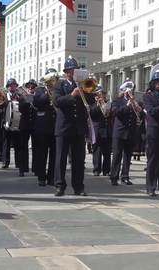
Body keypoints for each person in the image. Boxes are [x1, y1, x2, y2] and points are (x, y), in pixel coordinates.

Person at [53, 56, 95, 196]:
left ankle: (79, 186)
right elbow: (57, 102)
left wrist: (85, 91)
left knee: (78, 159)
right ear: (67, 73)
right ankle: (60, 185)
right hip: (64, 127)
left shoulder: (84, 85)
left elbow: (91, 100)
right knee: (61, 159)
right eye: (72, 70)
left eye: (77, 69)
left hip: (78, 127)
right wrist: (71, 95)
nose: (75, 72)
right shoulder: (59, 86)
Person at [109, 80, 140, 186]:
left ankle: (125, 176)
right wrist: (127, 106)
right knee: (117, 155)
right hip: (120, 132)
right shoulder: (117, 101)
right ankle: (114, 176)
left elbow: (140, 116)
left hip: (131, 132)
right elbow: (116, 112)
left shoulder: (135, 102)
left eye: (132, 90)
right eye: (129, 90)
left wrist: (138, 109)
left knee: (128, 155)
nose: (131, 92)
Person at [33, 69, 58, 186]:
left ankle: (51, 177)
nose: (52, 82)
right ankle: (41, 176)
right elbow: (37, 103)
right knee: (42, 153)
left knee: (54, 154)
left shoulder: (58, 91)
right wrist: (47, 94)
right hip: (42, 127)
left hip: (55, 126)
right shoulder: (39, 90)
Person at [89, 86, 112, 177]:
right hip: (98, 130)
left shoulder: (107, 103)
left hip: (107, 130)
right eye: (99, 94)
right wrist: (98, 106)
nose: (102, 95)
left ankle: (106, 170)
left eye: (103, 93)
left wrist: (109, 112)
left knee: (107, 152)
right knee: (97, 150)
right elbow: (91, 113)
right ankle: (96, 169)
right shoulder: (93, 104)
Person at [17, 79, 38, 177]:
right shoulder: (22, 98)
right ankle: (22, 168)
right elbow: (21, 109)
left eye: (32, 87)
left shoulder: (38, 97)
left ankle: (36, 168)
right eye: (28, 87)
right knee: (23, 147)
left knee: (36, 147)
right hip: (24, 124)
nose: (30, 89)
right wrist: (25, 101)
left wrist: (34, 100)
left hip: (35, 124)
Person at [1, 78, 21, 169]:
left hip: (17, 123)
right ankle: (5, 162)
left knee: (17, 144)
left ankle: (18, 163)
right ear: (7, 87)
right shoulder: (4, 96)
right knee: (6, 143)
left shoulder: (19, 97)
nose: (12, 87)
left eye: (14, 85)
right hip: (7, 122)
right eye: (10, 86)